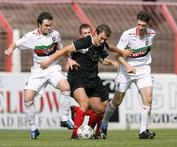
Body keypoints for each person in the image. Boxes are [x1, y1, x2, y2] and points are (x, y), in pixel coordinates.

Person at [39, 24, 132, 139]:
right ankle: (74, 135)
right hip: (76, 77)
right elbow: (64, 49)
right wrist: (49, 61)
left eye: (104, 39)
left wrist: (119, 54)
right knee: (85, 103)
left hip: (91, 79)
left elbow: (110, 48)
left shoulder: (101, 45)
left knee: (100, 109)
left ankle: (85, 125)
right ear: (95, 34)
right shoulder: (85, 42)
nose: (102, 41)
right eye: (101, 38)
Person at [4, 12, 74, 140]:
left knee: (65, 87)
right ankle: (33, 129)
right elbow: (15, 43)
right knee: (27, 98)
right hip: (38, 70)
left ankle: (65, 119)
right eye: (46, 25)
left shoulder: (55, 34)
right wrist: (9, 50)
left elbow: (61, 49)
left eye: (50, 25)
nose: (49, 28)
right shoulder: (31, 36)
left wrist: (68, 60)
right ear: (39, 25)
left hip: (53, 68)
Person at [101, 11, 156, 139]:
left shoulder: (152, 34)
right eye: (139, 24)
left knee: (148, 100)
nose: (140, 27)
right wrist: (128, 66)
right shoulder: (127, 34)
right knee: (117, 101)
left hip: (143, 70)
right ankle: (104, 123)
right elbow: (117, 55)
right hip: (126, 71)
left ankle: (143, 131)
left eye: (143, 25)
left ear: (148, 25)